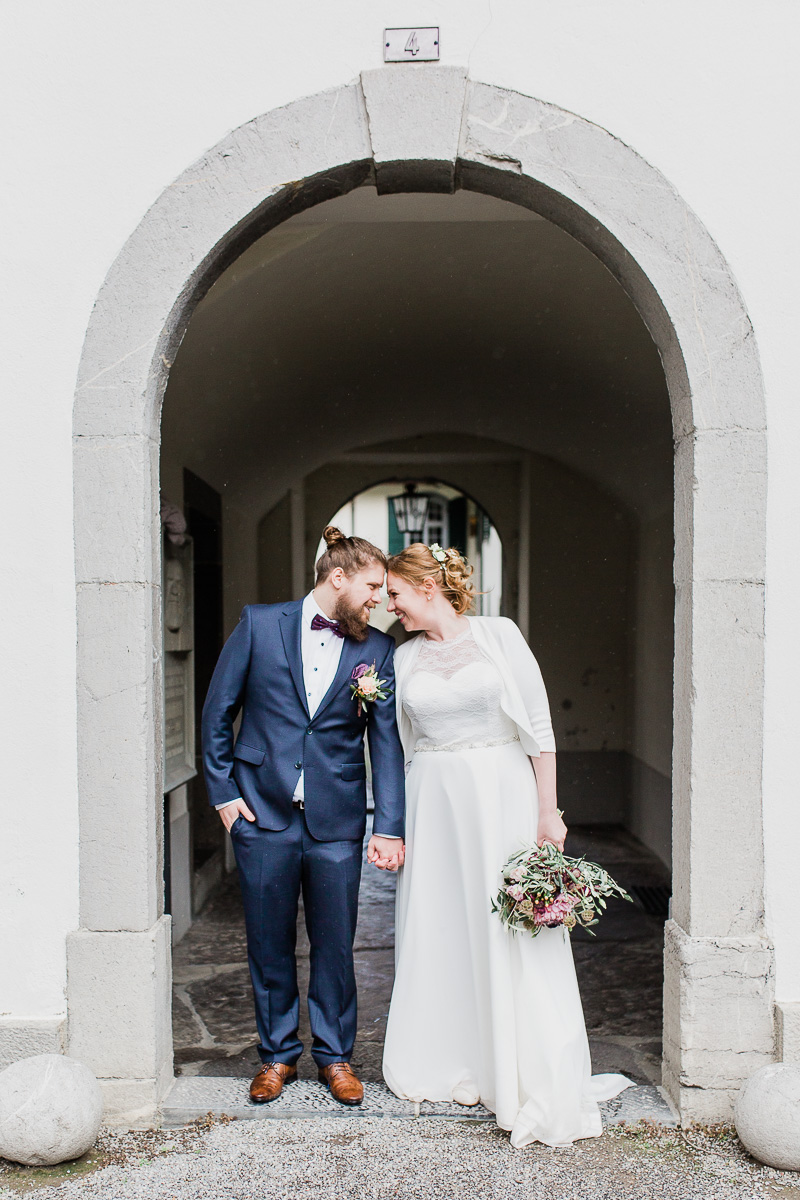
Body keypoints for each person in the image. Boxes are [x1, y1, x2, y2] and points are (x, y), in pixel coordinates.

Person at [381, 542, 631, 1147]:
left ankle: (515, 1063)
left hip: (501, 795)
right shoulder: (402, 656)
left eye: (395, 594)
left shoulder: (500, 637)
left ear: (428, 587)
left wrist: (548, 812)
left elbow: (539, 729)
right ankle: (446, 1056)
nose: (391, 606)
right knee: (441, 923)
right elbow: (402, 740)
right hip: (435, 801)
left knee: (507, 927)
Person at [202, 527, 406, 1106]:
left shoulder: (378, 650)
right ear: (336, 577)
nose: (377, 599)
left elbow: (385, 745)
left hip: (337, 818)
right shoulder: (259, 624)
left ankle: (336, 1057)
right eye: (371, 586)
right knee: (268, 943)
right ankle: (276, 1056)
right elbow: (219, 713)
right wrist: (223, 795)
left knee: (336, 943)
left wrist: (388, 823)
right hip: (259, 813)